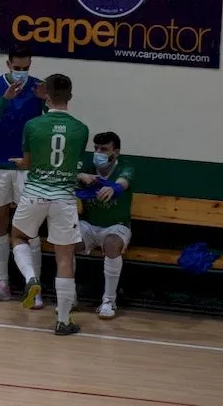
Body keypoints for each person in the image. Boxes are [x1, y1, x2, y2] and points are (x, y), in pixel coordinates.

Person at [10, 74, 90, 336]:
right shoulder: (81, 129)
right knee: (64, 256)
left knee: (19, 237)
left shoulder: (33, 125)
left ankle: (31, 277)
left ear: (46, 94)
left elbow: (29, 161)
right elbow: (71, 163)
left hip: (34, 193)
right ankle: (63, 321)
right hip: (64, 198)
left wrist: (23, 164)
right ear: (70, 95)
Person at [0, 44, 47, 307]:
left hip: (28, 168)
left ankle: (34, 286)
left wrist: (45, 103)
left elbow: (49, 125)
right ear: (8, 65)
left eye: (26, 69)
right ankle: (2, 284)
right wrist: (4, 98)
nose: (22, 73)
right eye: (17, 69)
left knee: (30, 227)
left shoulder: (39, 87)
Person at [76, 132, 134, 320]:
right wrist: (79, 175)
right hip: (89, 225)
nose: (98, 152)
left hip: (116, 226)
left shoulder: (126, 167)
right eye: (96, 148)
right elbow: (67, 175)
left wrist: (113, 188)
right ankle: (68, 296)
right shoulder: (86, 165)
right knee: (65, 241)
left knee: (111, 243)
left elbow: (123, 183)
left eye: (104, 149)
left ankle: (109, 300)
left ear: (115, 152)